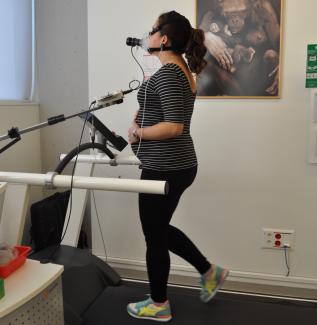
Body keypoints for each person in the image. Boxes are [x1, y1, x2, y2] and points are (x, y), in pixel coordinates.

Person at [127, 10, 229, 322]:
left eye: (153, 30)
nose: (149, 34)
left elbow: (173, 126)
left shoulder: (170, 73)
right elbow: (163, 113)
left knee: (154, 235)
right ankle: (209, 271)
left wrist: (138, 132)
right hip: (175, 164)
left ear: (164, 38)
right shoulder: (180, 71)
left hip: (166, 167)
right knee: (158, 230)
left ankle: (158, 305)